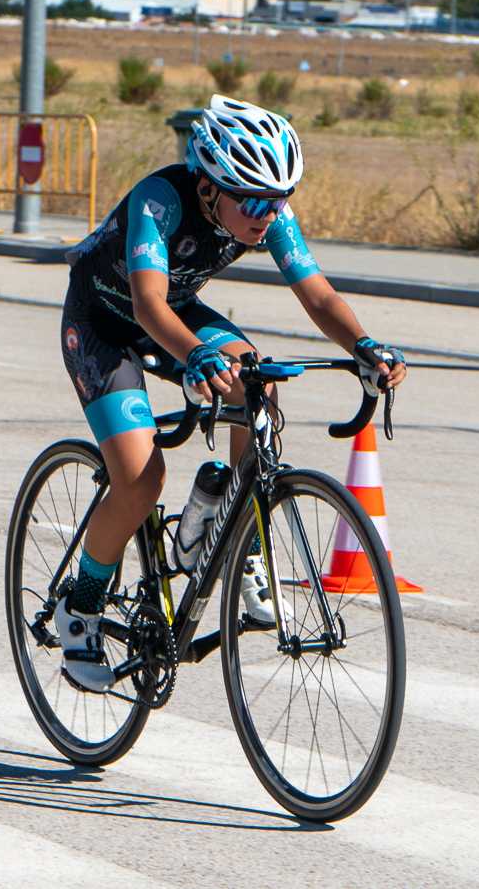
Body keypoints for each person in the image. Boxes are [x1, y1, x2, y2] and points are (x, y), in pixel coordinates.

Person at [56, 95, 408, 690]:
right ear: (210, 186)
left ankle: (227, 536)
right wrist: (194, 355)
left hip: (176, 310)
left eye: (278, 201)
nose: (266, 215)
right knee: (141, 480)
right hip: (103, 324)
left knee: (258, 385)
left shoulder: (266, 213)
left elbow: (317, 294)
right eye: (252, 201)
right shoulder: (159, 200)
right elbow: (147, 304)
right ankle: (82, 604)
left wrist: (365, 346)